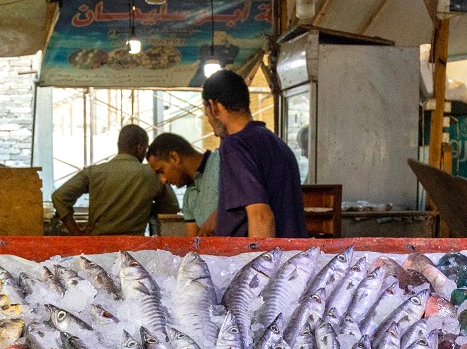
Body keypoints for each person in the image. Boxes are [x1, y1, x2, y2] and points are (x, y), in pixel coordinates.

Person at [201, 69, 307, 239]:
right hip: (291, 258)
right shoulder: (277, 144)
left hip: (263, 262)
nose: (210, 123)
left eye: (206, 114)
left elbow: (262, 218)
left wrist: (260, 264)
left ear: (213, 106)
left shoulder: (235, 145)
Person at [52, 124, 180, 236]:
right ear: (140, 147)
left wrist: (77, 233)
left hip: (96, 248)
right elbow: (172, 207)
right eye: (145, 150)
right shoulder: (152, 174)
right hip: (134, 250)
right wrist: (145, 206)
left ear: (119, 145)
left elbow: (59, 197)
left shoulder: (93, 172)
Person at [146, 133, 219, 237]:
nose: (163, 180)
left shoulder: (221, 164)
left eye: (161, 171)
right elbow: (193, 244)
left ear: (174, 157)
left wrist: (219, 214)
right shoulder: (189, 196)